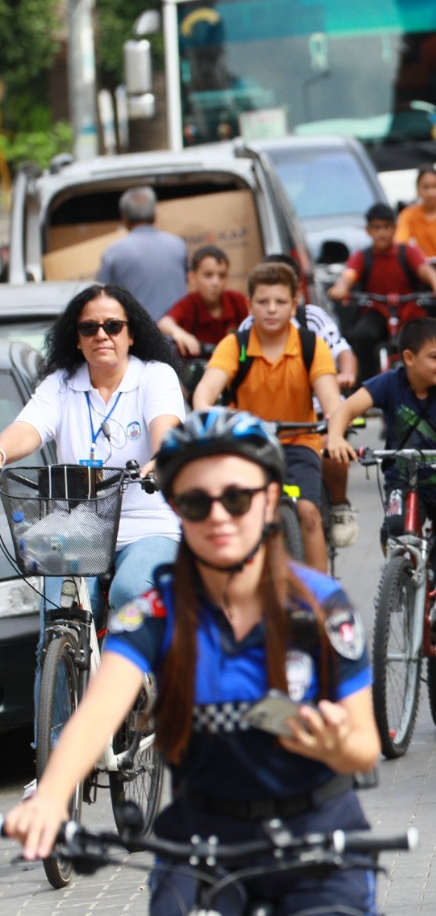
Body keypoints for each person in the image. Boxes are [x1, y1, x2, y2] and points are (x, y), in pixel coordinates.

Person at [1, 409, 384, 916]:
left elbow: (365, 747)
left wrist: (337, 743)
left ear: (270, 500)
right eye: (197, 502)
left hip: (317, 840)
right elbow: (96, 716)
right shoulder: (153, 612)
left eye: (237, 498)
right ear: (177, 508)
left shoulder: (321, 607)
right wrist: (51, 797)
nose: (218, 517)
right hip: (204, 840)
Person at [326, 318, 436, 708]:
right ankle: (402, 581)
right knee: (394, 531)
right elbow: (345, 409)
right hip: (406, 482)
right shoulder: (389, 383)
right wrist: (335, 436)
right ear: (408, 358)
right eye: (435, 357)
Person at [0, 285, 184, 634]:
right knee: (59, 616)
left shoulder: (154, 376)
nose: (101, 335)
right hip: (78, 527)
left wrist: (163, 458)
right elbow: (27, 427)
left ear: (131, 335)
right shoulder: (61, 384)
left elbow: (166, 426)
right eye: (89, 328)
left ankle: (144, 679)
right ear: (77, 339)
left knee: (132, 591)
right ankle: (61, 672)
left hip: (147, 524)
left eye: (113, 326)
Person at [193, 261, 344, 573]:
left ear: (294, 304)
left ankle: (323, 601)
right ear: (249, 305)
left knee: (308, 513)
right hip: (249, 444)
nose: (271, 310)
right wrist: (207, 416)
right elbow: (206, 390)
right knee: (245, 515)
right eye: (263, 302)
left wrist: (336, 428)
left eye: (280, 302)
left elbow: (330, 399)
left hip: (299, 440)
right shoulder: (236, 344)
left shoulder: (309, 344)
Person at [328, 204, 436, 385]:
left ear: (395, 229)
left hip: (410, 312)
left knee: (426, 339)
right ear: (368, 230)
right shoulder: (363, 256)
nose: (382, 233)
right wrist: (340, 288)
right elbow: (348, 275)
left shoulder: (407, 252)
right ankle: (364, 387)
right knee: (361, 336)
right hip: (378, 312)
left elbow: (426, 271)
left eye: (387, 227)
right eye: (376, 228)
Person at [96, 186, 189, 325]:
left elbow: (100, 297)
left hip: (139, 338)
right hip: (179, 336)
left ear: (125, 217)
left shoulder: (113, 252)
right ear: (155, 215)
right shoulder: (178, 245)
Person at [159, 245, 250, 357]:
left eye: (221, 276)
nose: (215, 282)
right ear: (192, 278)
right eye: (208, 275)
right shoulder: (189, 304)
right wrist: (180, 334)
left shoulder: (237, 300)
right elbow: (164, 323)